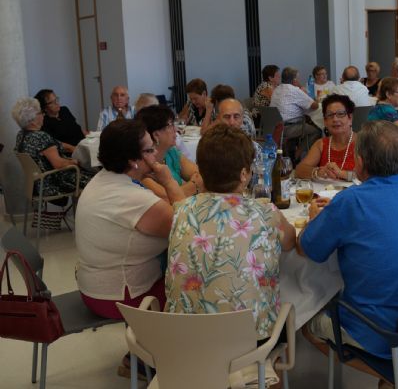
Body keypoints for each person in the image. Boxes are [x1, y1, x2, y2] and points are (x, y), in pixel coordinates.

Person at [299, 120, 398, 360]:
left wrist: (314, 219)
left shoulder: (350, 201)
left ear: (359, 163)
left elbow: (310, 249)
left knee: (306, 325)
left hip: (383, 331)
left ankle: (392, 378)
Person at [165, 125, 296, 341]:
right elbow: (291, 243)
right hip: (249, 341)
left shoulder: (181, 210)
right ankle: (267, 374)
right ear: (244, 174)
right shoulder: (265, 212)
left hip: (184, 341)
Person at [75, 119, 184, 319]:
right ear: (132, 160)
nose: (156, 155)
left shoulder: (106, 179)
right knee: (197, 282)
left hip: (96, 286)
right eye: (150, 150)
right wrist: (168, 181)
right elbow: (188, 227)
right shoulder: (130, 198)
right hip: (122, 296)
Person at [12, 98, 93, 198]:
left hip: (35, 184)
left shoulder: (21, 135)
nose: (43, 115)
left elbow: (59, 144)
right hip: (53, 183)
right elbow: (58, 164)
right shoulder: (41, 136)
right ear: (32, 120)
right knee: (97, 180)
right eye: (40, 113)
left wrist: (74, 149)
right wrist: (75, 162)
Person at [134, 105, 203, 200]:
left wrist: (182, 190)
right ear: (156, 134)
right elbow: (165, 198)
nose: (176, 130)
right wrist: (195, 185)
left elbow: (202, 175)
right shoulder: (144, 166)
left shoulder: (171, 152)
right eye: (170, 125)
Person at [296, 94, 357, 182]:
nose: (335, 119)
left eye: (340, 114)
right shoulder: (321, 144)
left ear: (350, 118)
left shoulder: (363, 142)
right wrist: (318, 172)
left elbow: (374, 175)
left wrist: (342, 173)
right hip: (325, 194)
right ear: (325, 121)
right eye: (330, 115)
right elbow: (299, 170)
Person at [270, 66, 321, 143]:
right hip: (288, 128)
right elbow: (315, 106)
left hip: (274, 127)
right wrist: (300, 86)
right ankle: (299, 153)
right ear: (294, 80)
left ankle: (291, 150)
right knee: (316, 131)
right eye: (298, 78)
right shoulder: (294, 90)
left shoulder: (277, 89)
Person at [34, 89, 86, 154]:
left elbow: (77, 128)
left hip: (84, 144)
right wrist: (78, 151)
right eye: (52, 102)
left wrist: (91, 136)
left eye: (56, 99)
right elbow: (55, 144)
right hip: (71, 152)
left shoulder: (64, 110)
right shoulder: (44, 121)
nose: (57, 103)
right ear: (44, 107)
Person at [213, 98, 263, 162]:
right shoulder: (211, 147)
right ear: (218, 119)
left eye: (236, 117)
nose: (232, 122)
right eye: (227, 117)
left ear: (242, 119)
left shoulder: (253, 149)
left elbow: (257, 171)